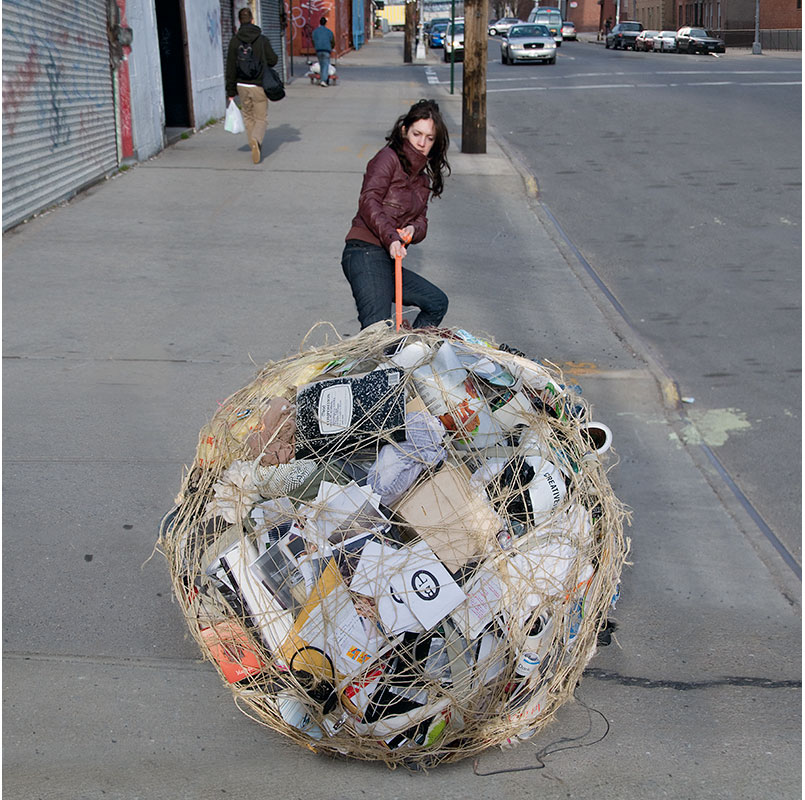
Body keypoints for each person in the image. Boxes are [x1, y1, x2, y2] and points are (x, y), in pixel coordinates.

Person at [341, 99, 451, 330]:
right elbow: (368, 200)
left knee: (436, 302)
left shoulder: (422, 177)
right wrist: (391, 237)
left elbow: (421, 219)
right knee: (376, 331)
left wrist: (413, 230)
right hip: (365, 252)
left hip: (388, 258)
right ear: (404, 131)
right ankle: (370, 364)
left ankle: (409, 354)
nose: (422, 143)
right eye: (417, 134)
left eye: (429, 138)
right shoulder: (387, 158)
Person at [225, 7, 278, 164]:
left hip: (241, 85)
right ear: (253, 19)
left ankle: (253, 144)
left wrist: (230, 91)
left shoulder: (235, 41)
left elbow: (230, 67)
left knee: (248, 116)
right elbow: (273, 60)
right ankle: (256, 140)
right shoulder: (261, 40)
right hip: (259, 85)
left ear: (239, 21)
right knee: (261, 118)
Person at [311, 17, 335, 87]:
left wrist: (316, 46)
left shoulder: (315, 31)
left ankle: (323, 79)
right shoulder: (329, 32)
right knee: (325, 65)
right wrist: (331, 47)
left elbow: (313, 40)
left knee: (321, 65)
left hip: (318, 50)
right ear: (325, 23)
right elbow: (332, 41)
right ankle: (324, 80)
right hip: (326, 50)